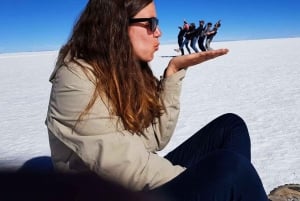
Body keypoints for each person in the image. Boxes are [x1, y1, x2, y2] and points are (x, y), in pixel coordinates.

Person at [45, 0, 268, 201]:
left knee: (230, 126)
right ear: (116, 26)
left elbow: (154, 139)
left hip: (134, 183)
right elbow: (122, 166)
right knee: (232, 170)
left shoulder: (121, 73)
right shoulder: (74, 79)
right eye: (151, 23)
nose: (159, 32)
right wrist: (203, 180)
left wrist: (173, 72)